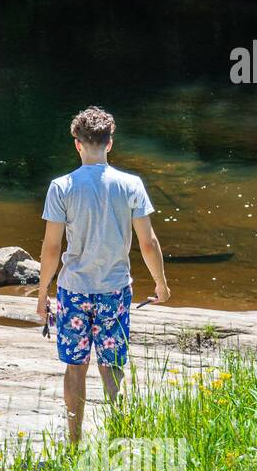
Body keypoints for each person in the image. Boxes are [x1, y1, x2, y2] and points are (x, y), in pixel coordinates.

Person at [35, 107, 170, 444]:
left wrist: (42, 293)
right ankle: (119, 441)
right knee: (111, 367)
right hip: (114, 291)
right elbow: (148, 243)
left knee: (75, 367)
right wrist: (161, 285)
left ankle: (75, 444)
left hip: (73, 291)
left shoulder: (62, 187)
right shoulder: (131, 185)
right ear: (110, 143)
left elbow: (52, 247)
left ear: (77, 144)